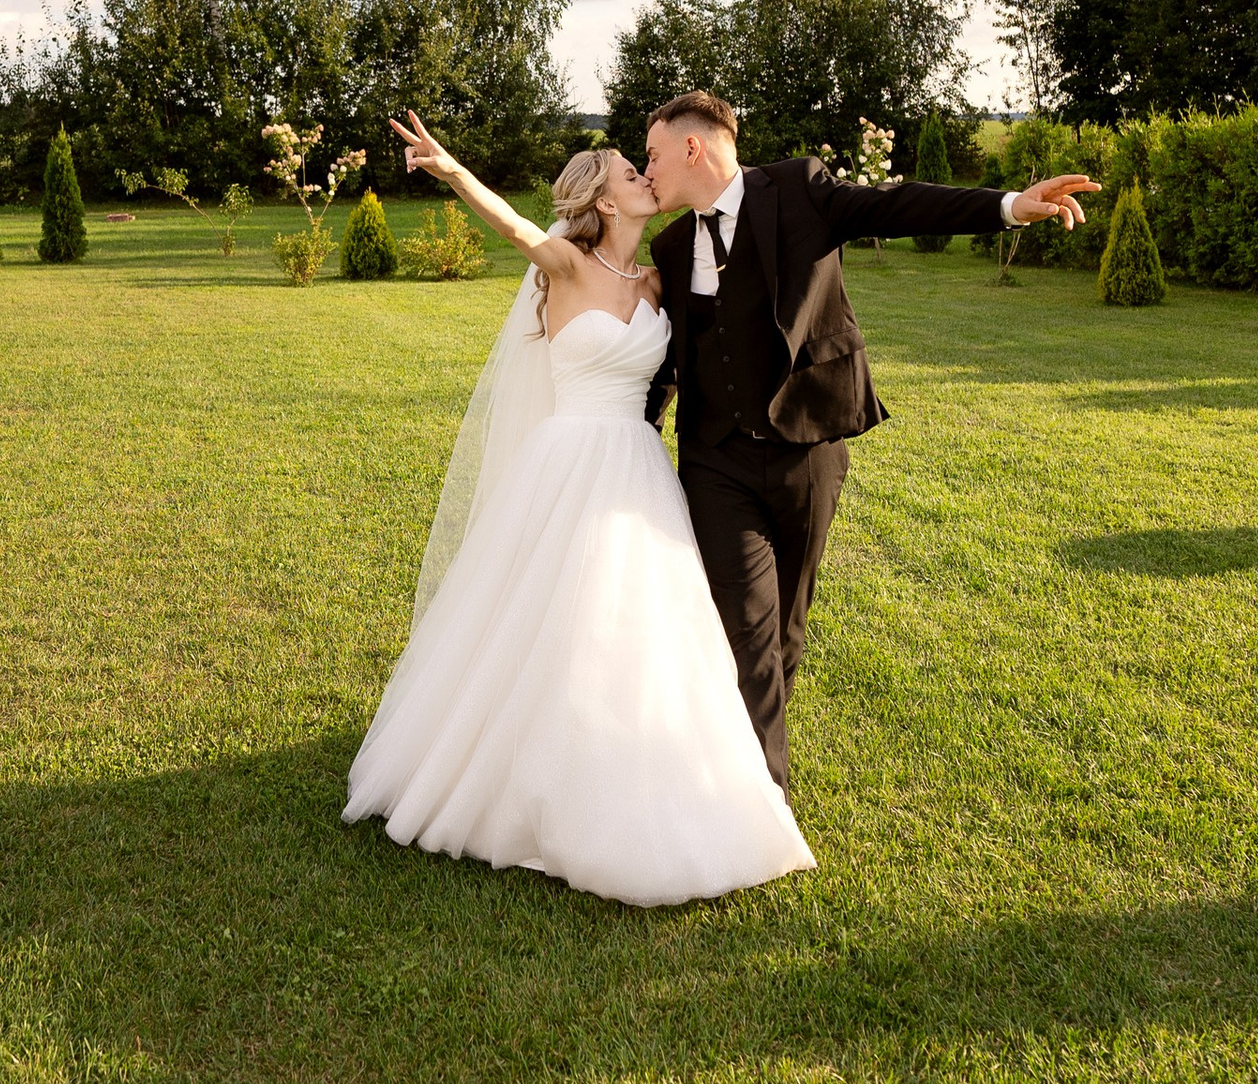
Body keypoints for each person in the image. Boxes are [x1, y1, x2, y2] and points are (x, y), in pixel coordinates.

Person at [343, 127, 817, 906]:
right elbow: (512, 226)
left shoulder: (659, 280)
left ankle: (638, 758)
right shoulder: (566, 264)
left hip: (637, 465)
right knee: (552, 612)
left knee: (637, 625)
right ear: (605, 200)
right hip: (567, 463)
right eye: (632, 173)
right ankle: (530, 765)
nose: (645, 177)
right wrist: (452, 169)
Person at [640, 92, 1097, 790]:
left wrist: (1008, 206)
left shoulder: (797, 190)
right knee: (746, 636)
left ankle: (746, 767)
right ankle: (761, 805)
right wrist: (628, 432)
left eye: (652, 154)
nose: (647, 170)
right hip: (715, 461)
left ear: (692, 147)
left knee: (785, 634)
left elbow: (897, 204)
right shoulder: (671, 247)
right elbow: (673, 357)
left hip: (808, 448)